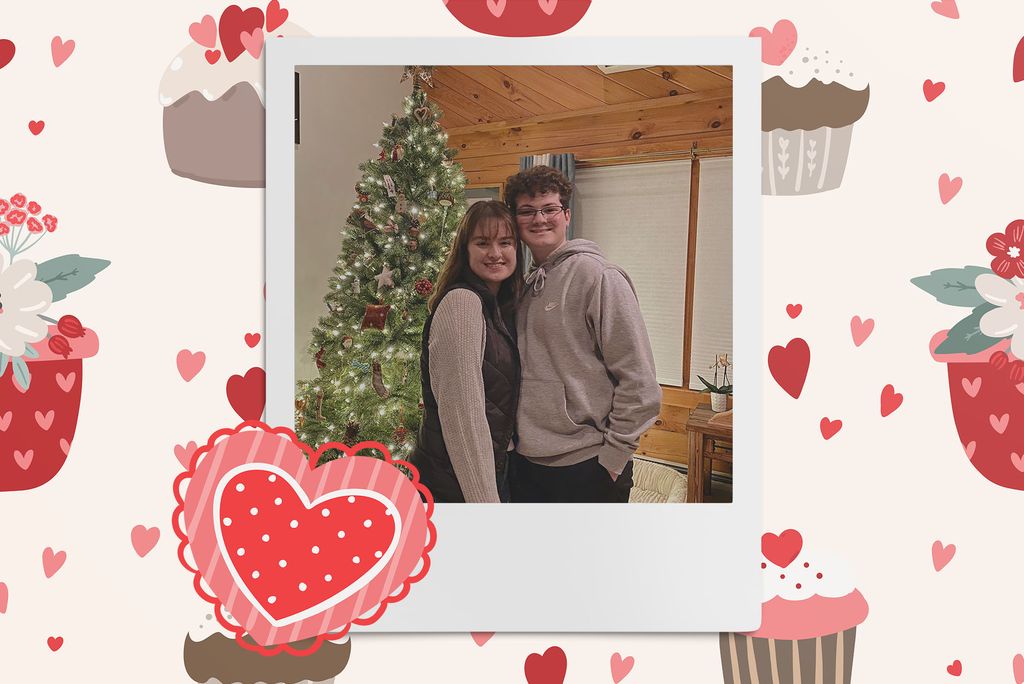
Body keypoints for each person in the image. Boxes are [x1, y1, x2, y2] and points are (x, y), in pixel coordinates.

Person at [505, 166, 662, 503]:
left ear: (566, 215)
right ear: (515, 221)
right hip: (526, 463)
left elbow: (641, 384)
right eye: (527, 211)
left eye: (549, 209)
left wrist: (614, 458)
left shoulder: (599, 277)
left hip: (587, 466)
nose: (540, 219)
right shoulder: (523, 286)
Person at [412, 201, 524, 503]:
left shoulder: (498, 307)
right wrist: (484, 504)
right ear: (465, 249)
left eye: (505, 242)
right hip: (454, 481)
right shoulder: (463, 303)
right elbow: (463, 416)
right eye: (483, 243)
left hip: (491, 469)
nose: (496, 253)